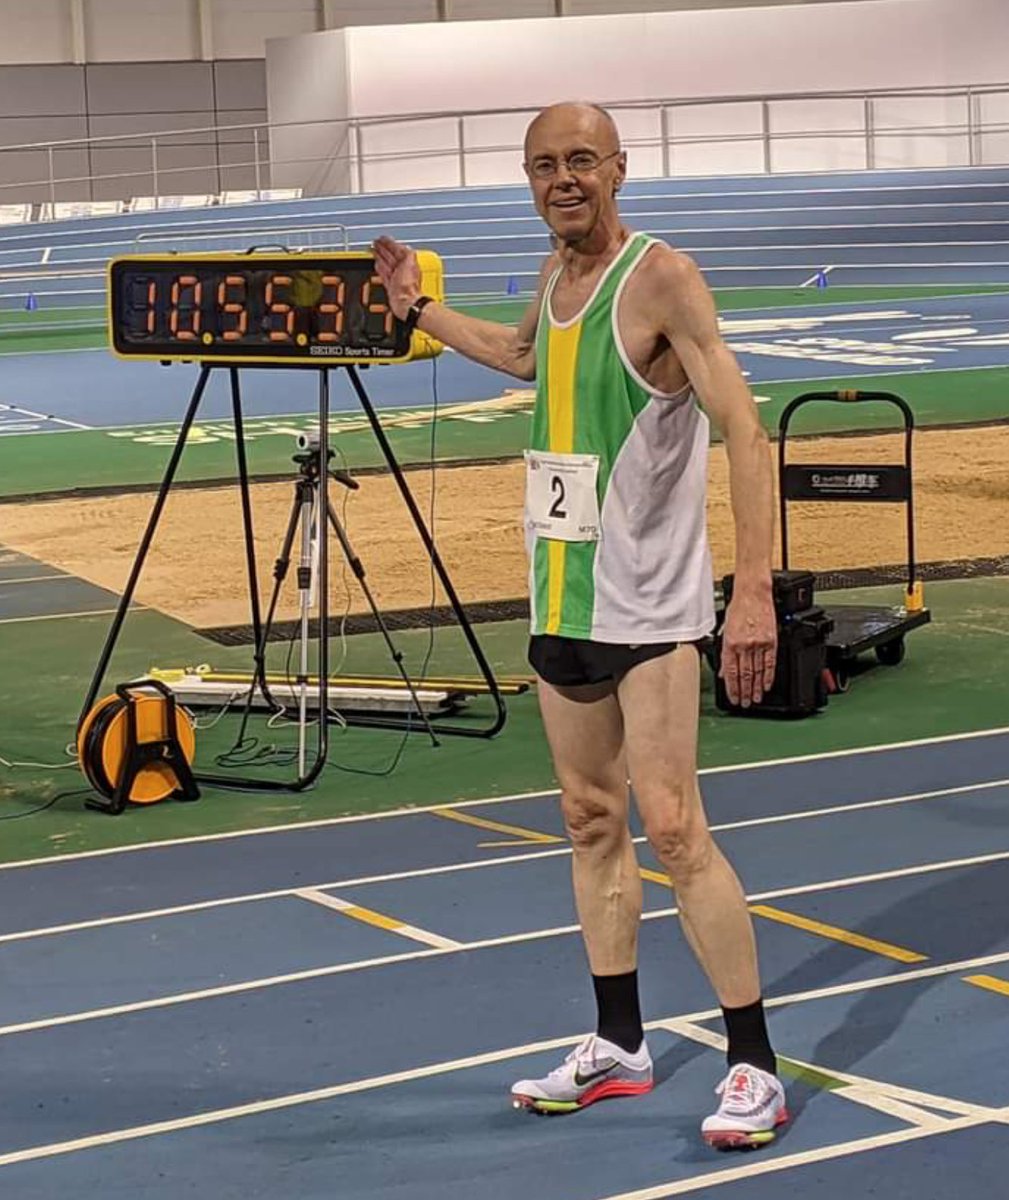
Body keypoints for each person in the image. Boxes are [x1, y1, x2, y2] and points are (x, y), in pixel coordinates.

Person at [373, 101, 787, 1151]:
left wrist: (750, 591)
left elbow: (745, 432)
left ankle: (752, 1064)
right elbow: (521, 355)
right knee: (589, 819)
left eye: (580, 161)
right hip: (560, 596)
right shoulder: (556, 275)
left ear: (617, 169)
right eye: (543, 165)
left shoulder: (662, 277)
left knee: (675, 829)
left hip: (646, 607)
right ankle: (619, 1042)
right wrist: (419, 310)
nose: (562, 179)